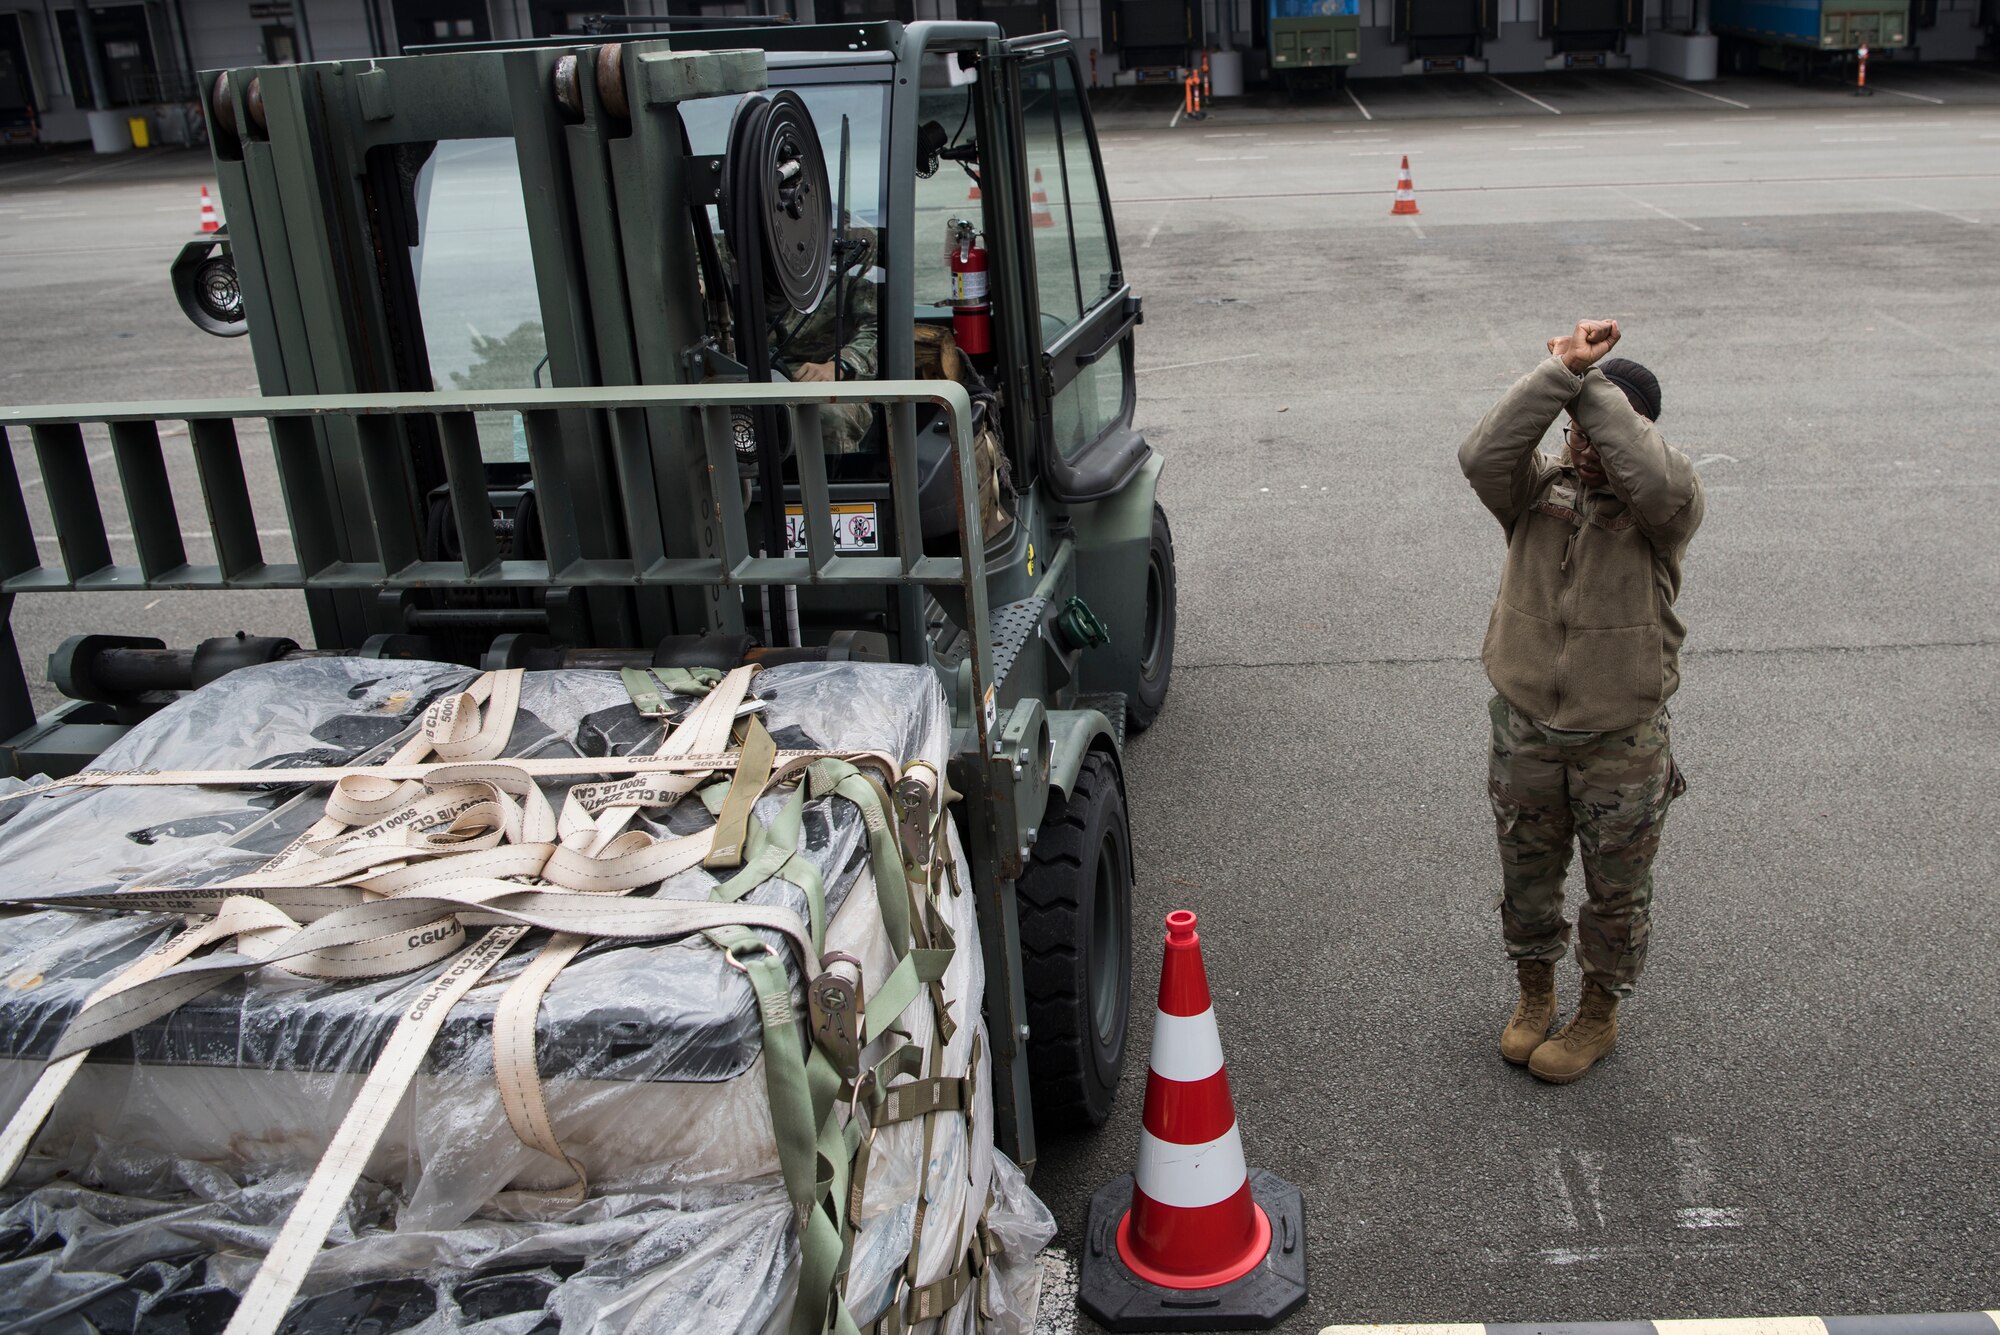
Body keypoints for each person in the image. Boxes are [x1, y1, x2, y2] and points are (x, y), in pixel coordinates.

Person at [1457, 319, 1705, 1085]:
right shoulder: (1536, 491)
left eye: (1602, 431)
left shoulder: (1662, 513)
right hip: (1526, 726)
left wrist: (1592, 388)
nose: (1585, 444)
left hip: (1619, 743)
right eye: (1575, 430)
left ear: (1636, 432)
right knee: (1526, 876)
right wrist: (1559, 370)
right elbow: (1481, 453)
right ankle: (1535, 994)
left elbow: (1656, 479)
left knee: (1615, 892)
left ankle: (1598, 1011)